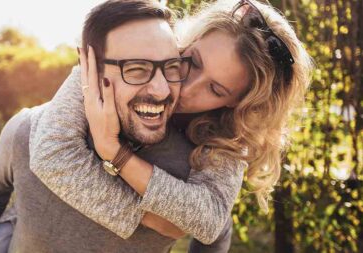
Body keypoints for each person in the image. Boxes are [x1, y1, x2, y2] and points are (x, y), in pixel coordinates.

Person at [0, 1, 236, 252]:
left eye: (172, 66)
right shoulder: (29, 131)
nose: (161, 90)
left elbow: (215, 228)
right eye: (136, 69)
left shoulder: (194, 163)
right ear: (90, 69)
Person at [27, 0, 312, 251]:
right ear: (188, 41)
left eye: (215, 89)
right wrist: (149, 219)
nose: (186, 89)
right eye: (192, 61)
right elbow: (50, 153)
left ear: (238, 104)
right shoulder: (123, 58)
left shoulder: (228, 135)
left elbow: (211, 222)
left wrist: (114, 152)